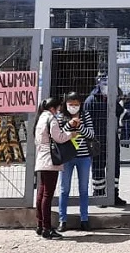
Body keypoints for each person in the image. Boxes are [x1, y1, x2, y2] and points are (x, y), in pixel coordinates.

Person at [34, 97, 72, 239]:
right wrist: (71, 134)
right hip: (50, 160)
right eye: (58, 108)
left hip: (41, 159)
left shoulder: (40, 119)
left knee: (41, 192)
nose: (58, 111)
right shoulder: (52, 119)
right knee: (47, 195)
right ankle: (47, 228)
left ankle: (39, 224)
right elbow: (59, 138)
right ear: (53, 108)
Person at [85, 81, 126, 206]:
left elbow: (122, 113)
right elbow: (86, 120)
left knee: (114, 167)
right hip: (96, 139)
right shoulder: (91, 101)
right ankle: (99, 195)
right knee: (98, 167)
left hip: (112, 139)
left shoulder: (111, 100)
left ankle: (113, 194)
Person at [58, 92, 95, 231]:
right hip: (67, 157)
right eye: (71, 104)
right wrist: (69, 125)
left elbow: (91, 134)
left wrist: (79, 126)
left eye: (76, 104)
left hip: (83, 157)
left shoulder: (85, 115)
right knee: (64, 189)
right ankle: (63, 220)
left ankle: (84, 219)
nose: (73, 107)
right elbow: (58, 134)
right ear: (66, 104)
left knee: (84, 189)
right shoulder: (61, 116)